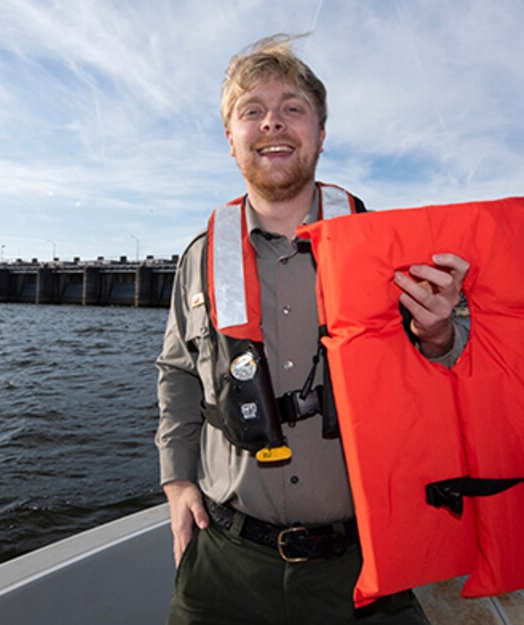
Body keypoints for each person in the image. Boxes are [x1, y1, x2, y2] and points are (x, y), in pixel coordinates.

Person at [155, 33, 470, 625]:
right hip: (222, 563)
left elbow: (440, 383)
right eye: (252, 111)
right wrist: (176, 482)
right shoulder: (198, 259)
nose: (273, 123)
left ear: (321, 133)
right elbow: (176, 374)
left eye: (292, 108)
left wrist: (437, 339)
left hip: (364, 567)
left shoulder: (388, 251)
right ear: (231, 139)